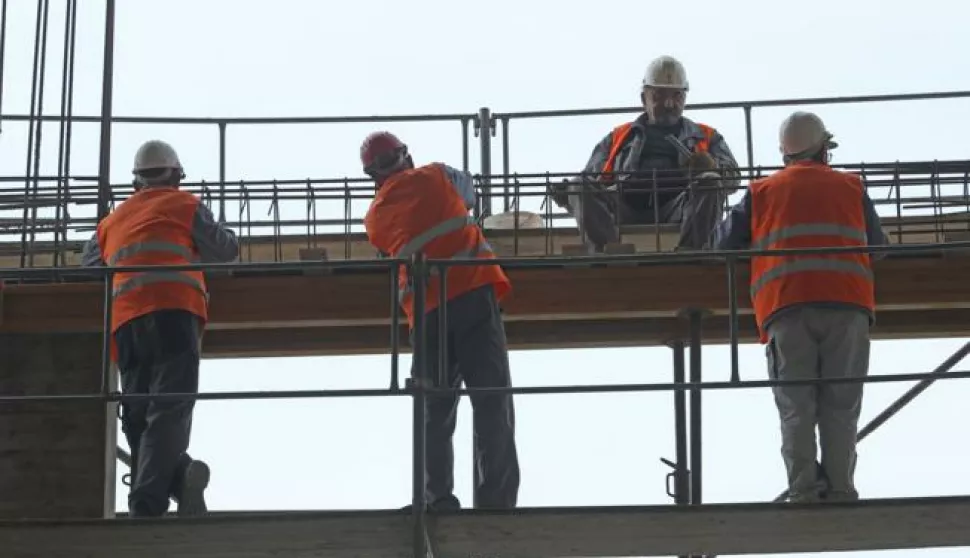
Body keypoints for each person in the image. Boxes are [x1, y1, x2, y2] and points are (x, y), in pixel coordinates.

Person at [711, 111, 888, 503]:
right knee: (841, 405)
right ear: (824, 149)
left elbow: (721, 245)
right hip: (847, 306)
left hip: (786, 308)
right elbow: (879, 247)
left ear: (784, 154)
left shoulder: (761, 193)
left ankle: (804, 490)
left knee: (796, 408)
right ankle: (840, 489)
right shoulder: (851, 187)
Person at [360, 131, 520, 511]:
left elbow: (387, 248)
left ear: (372, 175)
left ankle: (437, 499)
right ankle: (497, 500)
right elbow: (471, 194)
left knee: (435, 409)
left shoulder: (375, 217)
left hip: (430, 312)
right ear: (406, 156)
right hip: (475, 295)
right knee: (491, 400)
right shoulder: (437, 175)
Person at [81, 139, 239, 517]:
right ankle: (148, 503)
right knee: (168, 408)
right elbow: (227, 250)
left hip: (128, 323)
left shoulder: (112, 220)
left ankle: (178, 476)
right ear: (176, 175)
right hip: (174, 314)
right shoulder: (185, 205)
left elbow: (88, 264)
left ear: (136, 182)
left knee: (137, 415)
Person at [549, 55, 741, 252]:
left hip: (679, 207)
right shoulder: (619, 137)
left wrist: (712, 168)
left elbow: (734, 178)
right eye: (659, 96)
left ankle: (691, 252)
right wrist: (569, 193)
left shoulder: (706, 136)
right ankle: (609, 251)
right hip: (623, 205)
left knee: (710, 181)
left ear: (685, 98)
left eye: (676, 96)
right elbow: (590, 179)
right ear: (644, 98)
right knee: (578, 184)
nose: (669, 104)